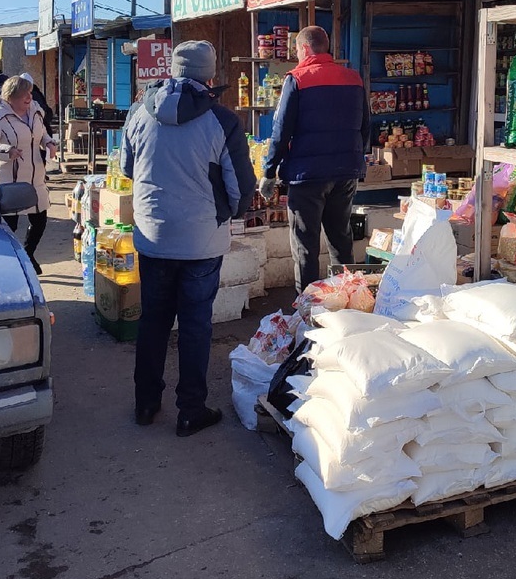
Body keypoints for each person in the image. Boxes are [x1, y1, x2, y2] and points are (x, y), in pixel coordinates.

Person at [121, 40, 256, 437]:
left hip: (152, 236)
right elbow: (242, 187)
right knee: (196, 326)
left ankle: (145, 403)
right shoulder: (223, 121)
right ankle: (190, 410)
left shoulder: (138, 113)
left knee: (153, 322)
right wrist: (227, 214)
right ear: (209, 75)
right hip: (201, 242)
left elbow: (128, 169)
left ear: (174, 70)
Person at [261, 25, 368, 292]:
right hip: (345, 173)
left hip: (306, 176)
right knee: (341, 240)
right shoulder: (353, 78)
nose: (296, 55)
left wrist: (268, 171)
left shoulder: (297, 79)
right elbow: (366, 127)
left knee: (305, 245)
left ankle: (307, 310)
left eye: (297, 50)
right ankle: (349, 301)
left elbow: (281, 130)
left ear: (305, 48)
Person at [0, 75, 58, 275]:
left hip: (36, 177)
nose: (28, 98)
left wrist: (48, 142)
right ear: (11, 97)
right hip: (9, 180)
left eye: (29, 93)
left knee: (40, 220)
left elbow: (41, 133)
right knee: (9, 226)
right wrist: (6, 150)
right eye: (24, 95)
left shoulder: (36, 110)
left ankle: (28, 255)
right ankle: (7, 262)